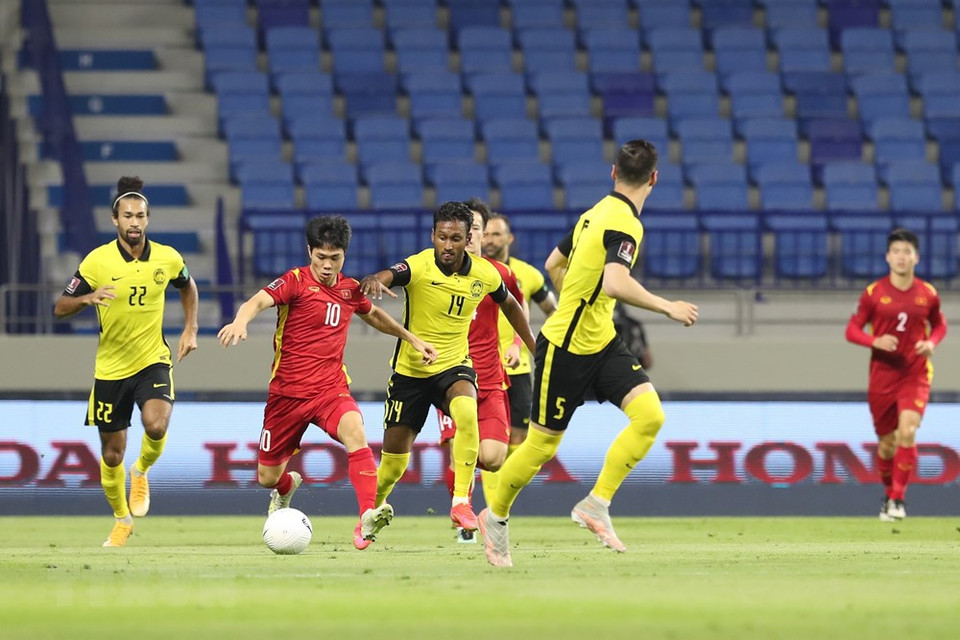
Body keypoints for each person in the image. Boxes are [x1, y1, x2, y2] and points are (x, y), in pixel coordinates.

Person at [477, 140, 699, 567]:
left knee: (650, 416)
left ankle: (596, 504)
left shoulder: (592, 213)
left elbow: (553, 263)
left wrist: (579, 300)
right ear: (654, 178)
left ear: (613, 172)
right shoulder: (625, 224)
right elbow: (615, 283)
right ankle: (496, 518)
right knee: (540, 447)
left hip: (602, 342)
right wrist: (668, 306)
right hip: (565, 350)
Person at [217, 215, 437, 550]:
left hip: (330, 390)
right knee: (267, 478)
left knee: (356, 433)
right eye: (321, 257)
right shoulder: (295, 281)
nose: (326, 265)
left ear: (344, 256)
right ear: (310, 252)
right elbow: (256, 301)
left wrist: (411, 339)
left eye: (334, 258)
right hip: (286, 396)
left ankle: (367, 517)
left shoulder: (350, 290)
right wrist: (240, 321)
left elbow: (374, 314)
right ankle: (286, 487)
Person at [360, 201, 536, 537]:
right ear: (434, 236)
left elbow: (513, 304)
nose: (449, 245)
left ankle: (460, 504)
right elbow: (391, 275)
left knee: (469, 416)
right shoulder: (420, 265)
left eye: (456, 238)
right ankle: (370, 510)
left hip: (456, 367)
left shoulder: (487, 273)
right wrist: (374, 279)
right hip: (411, 372)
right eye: (442, 238)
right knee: (393, 466)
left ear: (469, 237)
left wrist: (529, 345)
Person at [53, 176, 199, 547]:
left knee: (156, 426)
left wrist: (190, 328)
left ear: (148, 220)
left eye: (140, 216)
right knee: (111, 453)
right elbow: (60, 307)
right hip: (110, 370)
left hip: (152, 359)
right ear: (114, 220)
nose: (134, 222)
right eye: (127, 216)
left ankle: (143, 470)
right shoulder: (97, 261)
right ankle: (122, 520)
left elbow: (188, 286)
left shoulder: (168, 257)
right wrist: (86, 299)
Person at [435, 199, 526, 543]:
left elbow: (519, 311)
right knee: (458, 449)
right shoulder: (435, 271)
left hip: (490, 377)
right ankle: (464, 519)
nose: (471, 235)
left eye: (476, 230)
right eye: (465, 229)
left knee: (492, 457)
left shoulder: (498, 274)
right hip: (449, 377)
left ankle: (466, 504)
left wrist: (517, 345)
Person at [844, 228, 947, 522]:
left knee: (908, 431)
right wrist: (873, 341)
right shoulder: (874, 294)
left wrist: (931, 343)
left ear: (916, 258)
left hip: (915, 374)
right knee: (887, 444)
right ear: (888, 257)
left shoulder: (928, 293)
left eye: (907, 252)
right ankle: (889, 495)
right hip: (882, 377)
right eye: (897, 252)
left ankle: (899, 499)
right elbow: (851, 330)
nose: (902, 257)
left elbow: (940, 325)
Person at [482, 213, 558, 451]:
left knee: (518, 439)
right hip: (481, 368)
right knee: (486, 440)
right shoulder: (473, 272)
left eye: (496, 234)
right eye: (485, 234)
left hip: (518, 368)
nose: (490, 240)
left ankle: (505, 488)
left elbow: (553, 311)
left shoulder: (529, 274)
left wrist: (544, 345)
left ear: (509, 238)